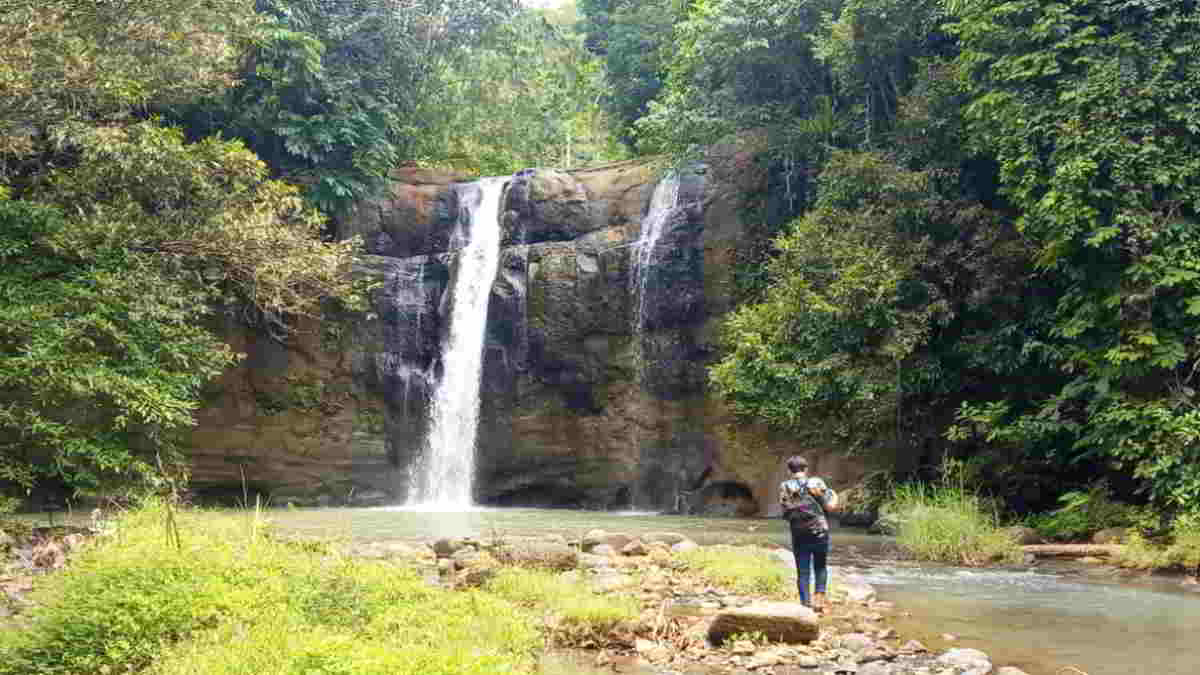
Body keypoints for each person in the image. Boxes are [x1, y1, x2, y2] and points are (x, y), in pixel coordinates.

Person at [779, 455, 839, 613]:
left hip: (798, 532)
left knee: (802, 570)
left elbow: (785, 512)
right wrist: (835, 497)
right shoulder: (816, 482)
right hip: (819, 530)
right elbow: (829, 507)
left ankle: (805, 605)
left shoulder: (784, 486)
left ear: (789, 470)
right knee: (820, 566)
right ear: (806, 469)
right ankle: (819, 601)